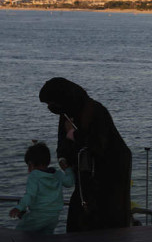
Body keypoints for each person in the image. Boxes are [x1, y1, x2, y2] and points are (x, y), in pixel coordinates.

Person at [39, 77, 133, 232]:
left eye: (51, 103)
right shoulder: (66, 113)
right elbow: (62, 141)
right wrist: (62, 158)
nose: (50, 107)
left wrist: (73, 134)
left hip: (108, 176)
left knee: (104, 220)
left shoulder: (95, 111)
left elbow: (99, 145)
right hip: (86, 176)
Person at [9, 142, 74, 234]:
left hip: (37, 216)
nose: (28, 170)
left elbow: (30, 195)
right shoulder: (57, 174)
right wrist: (67, 169)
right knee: (45, 239)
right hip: (53, 217)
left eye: (28, 166)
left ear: (31, 164)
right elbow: (70, 183)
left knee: (18, 236)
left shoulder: (34, 176)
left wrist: (19, 208)